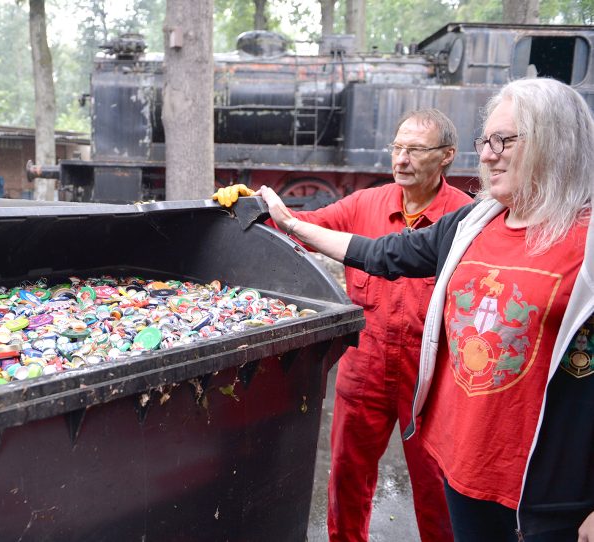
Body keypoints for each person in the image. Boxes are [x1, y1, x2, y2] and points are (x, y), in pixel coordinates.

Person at [257, 77, 594, 541]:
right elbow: (383, 254)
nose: (489, 154)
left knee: (433, 508)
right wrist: (287, 220)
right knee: (356, 478)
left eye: (504, 140)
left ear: (555, 142)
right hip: (456, 454)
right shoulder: (473, 220)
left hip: (540, 483)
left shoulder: (585, 240)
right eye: (486, 141)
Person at [216, 109, 470, 541]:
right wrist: (252, 207)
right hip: (364, 368)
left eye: (416, 150)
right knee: (347, 481)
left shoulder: (464, 219)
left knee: (435, 489)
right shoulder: (366, 203)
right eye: (397, 148)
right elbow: (304, 228)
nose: (402, 159)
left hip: (430, 380)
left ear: (447, 156)